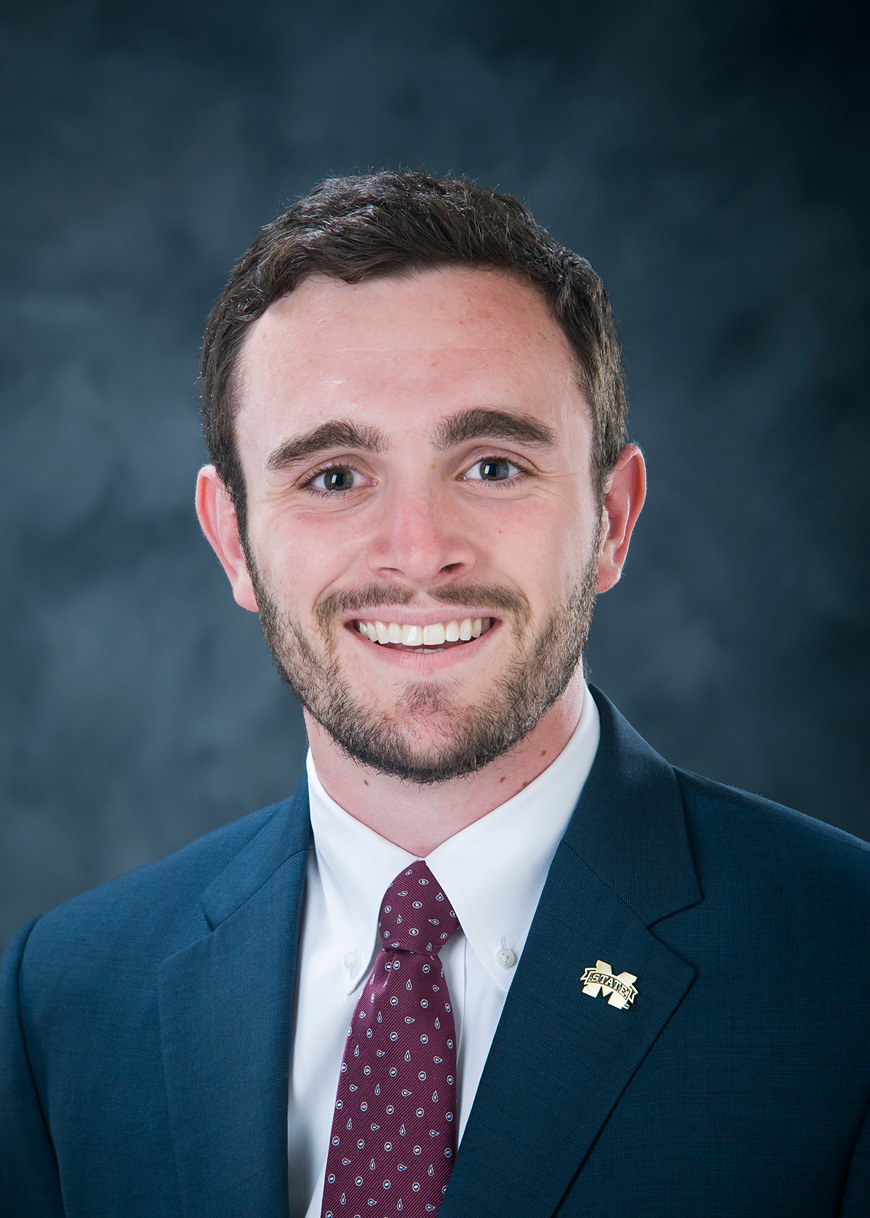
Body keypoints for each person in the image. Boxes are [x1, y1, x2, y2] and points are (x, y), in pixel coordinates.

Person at [1, 171, 867, 1218]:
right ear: (232, 539)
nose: (419, 554)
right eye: (333, 476)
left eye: (492, 466)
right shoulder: (70, 996)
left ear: (611, 520)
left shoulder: (844, 967)